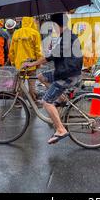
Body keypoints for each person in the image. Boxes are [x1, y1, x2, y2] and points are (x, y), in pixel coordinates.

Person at [25, 13, 83, 145]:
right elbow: (56, 54)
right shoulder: (66, 36)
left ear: (57, 25)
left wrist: (33, 63)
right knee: (41, 76)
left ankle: (61, 129)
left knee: (46, 102)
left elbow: (52, 56)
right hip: (64, 70)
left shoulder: (67, 37)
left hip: (67, 75)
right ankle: (61, 98)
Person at [9, 17, 43, 101]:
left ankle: (18, 102)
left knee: (19, 84)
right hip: (31, 64)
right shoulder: (35, 33)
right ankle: (33, 101)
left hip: (19, 64)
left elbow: (11, 51)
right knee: (31, 84)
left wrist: (13, 62)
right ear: (32, 22)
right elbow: (38, 50)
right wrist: (38, 63)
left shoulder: (16, 33)